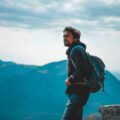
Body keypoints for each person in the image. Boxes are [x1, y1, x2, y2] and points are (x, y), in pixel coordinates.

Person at [61, 26, 90, 120]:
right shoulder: (76, 50)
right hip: (78, 92)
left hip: (78, 92)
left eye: (67, 36)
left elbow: (82, 69)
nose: (65, 38)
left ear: (76, 38)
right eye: (64, 36)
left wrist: (70, 79)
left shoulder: (76, 50)